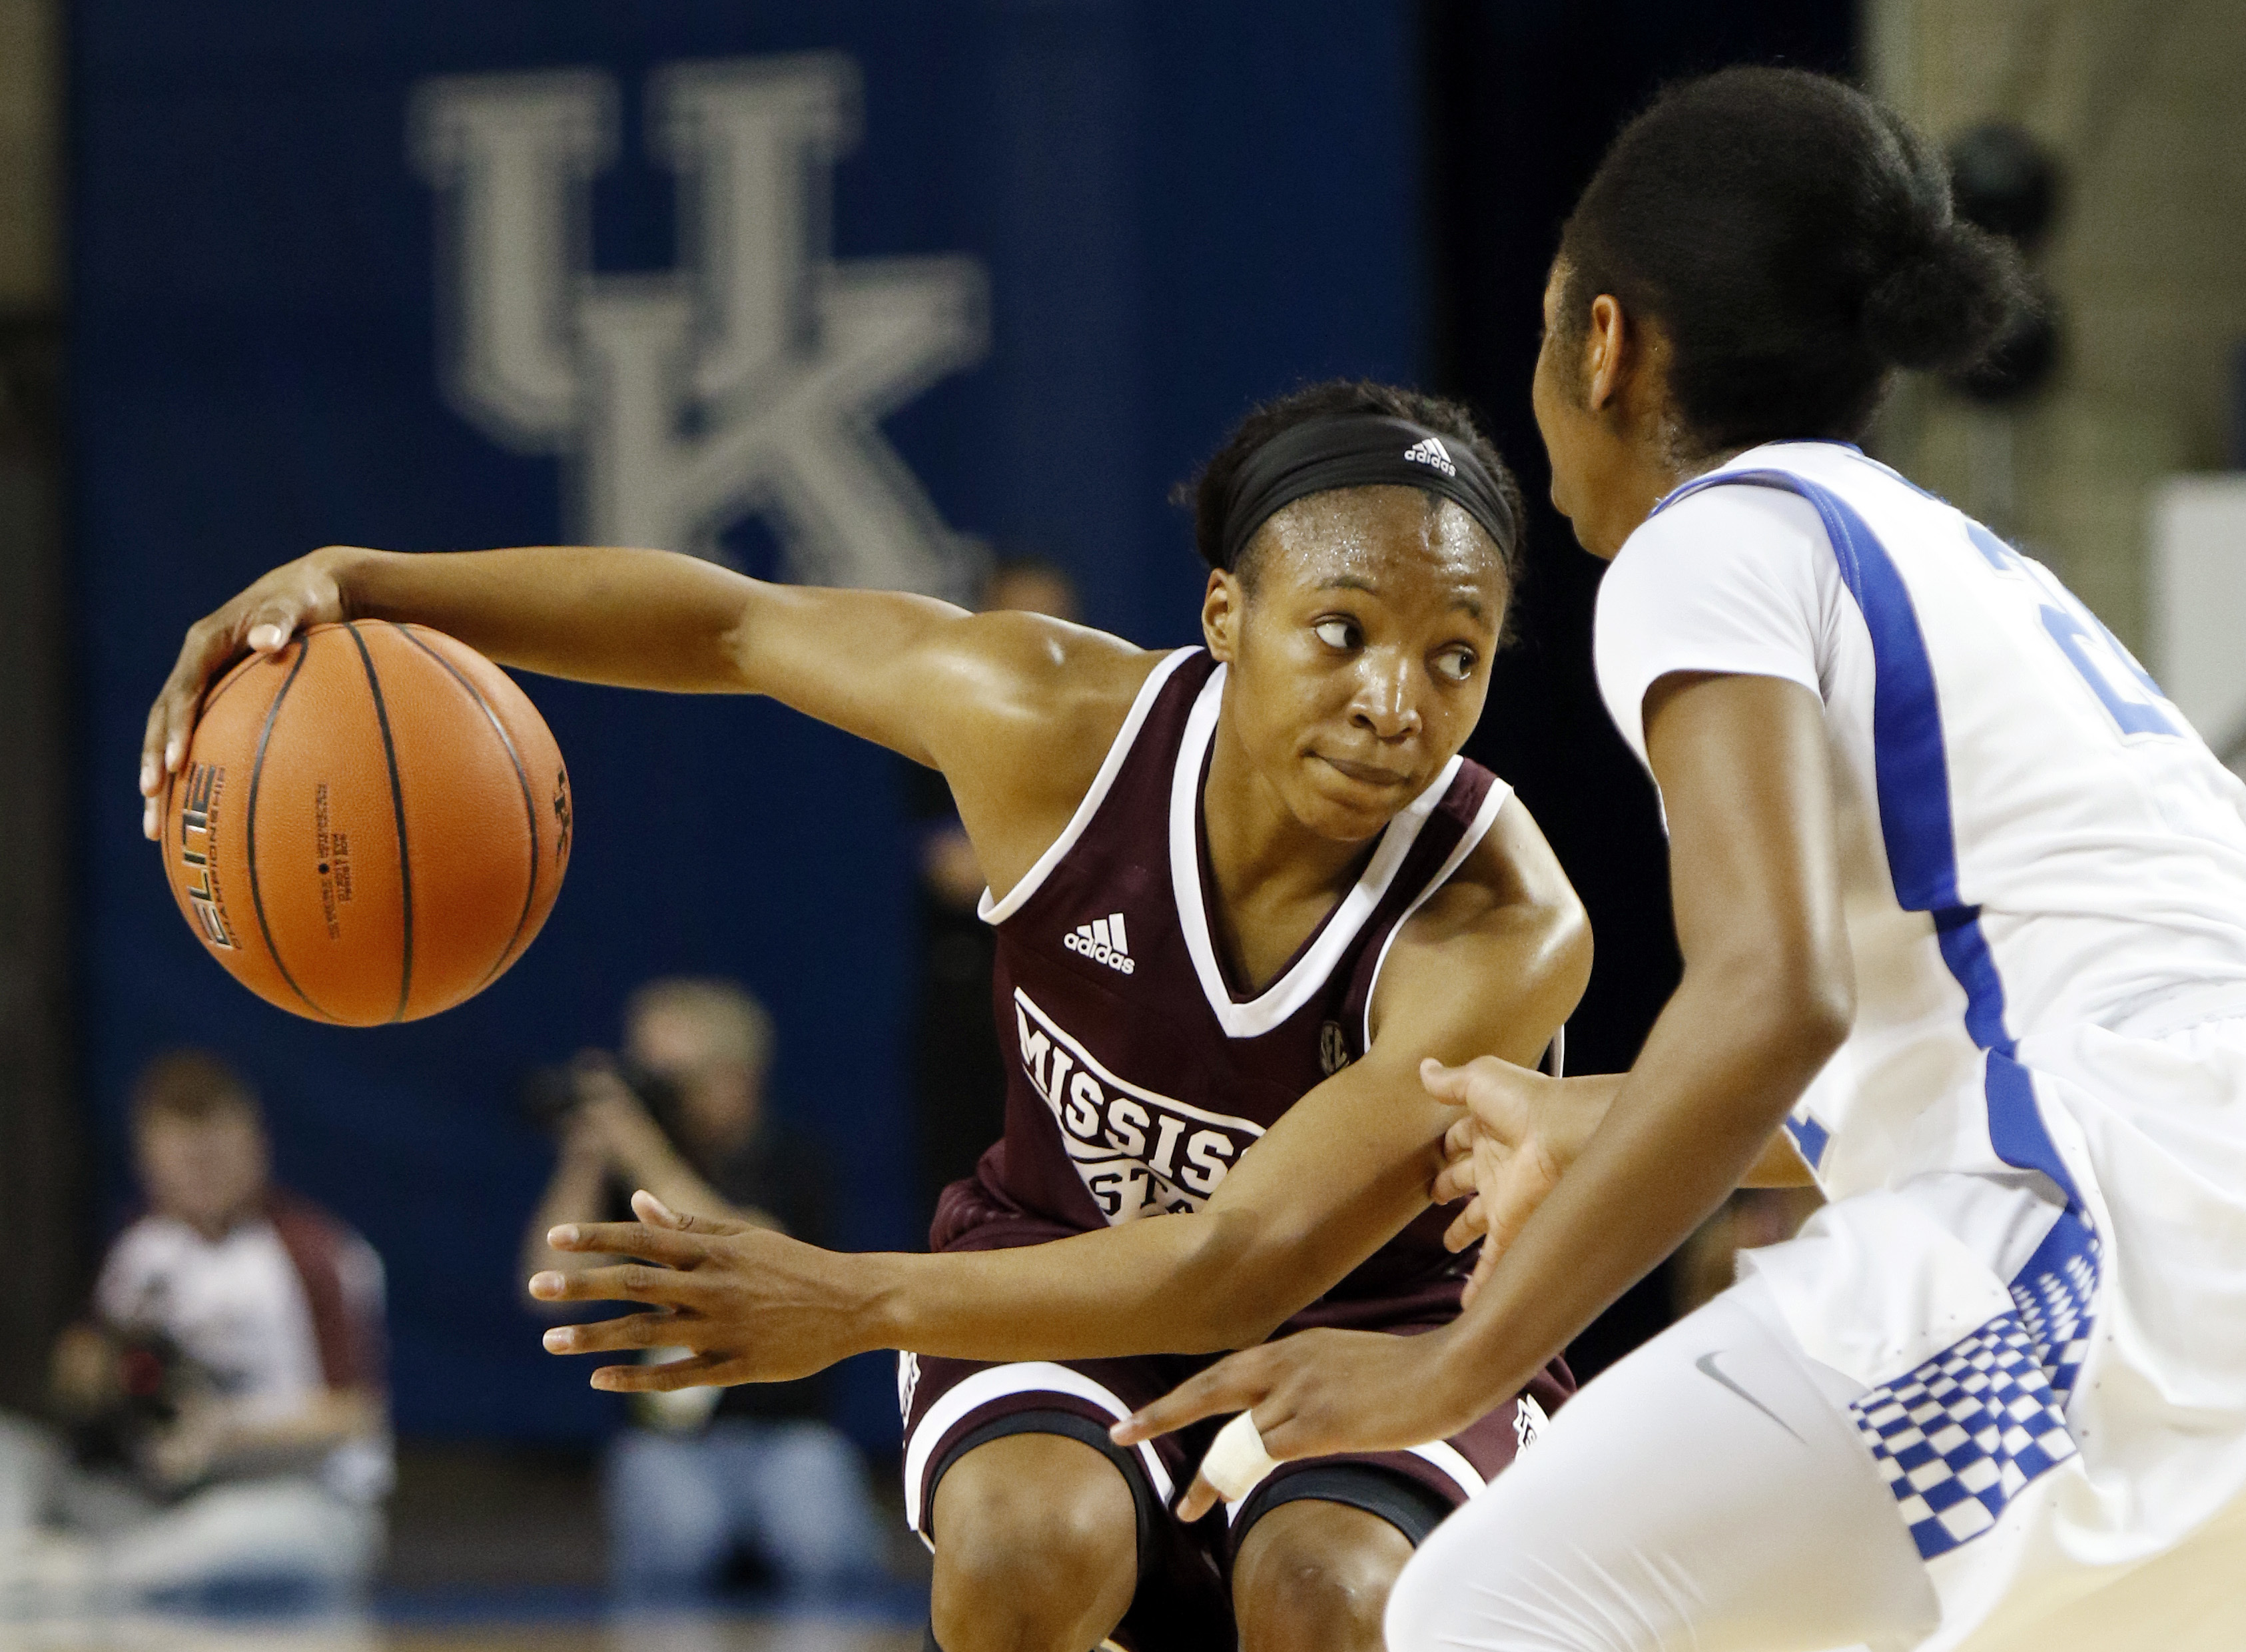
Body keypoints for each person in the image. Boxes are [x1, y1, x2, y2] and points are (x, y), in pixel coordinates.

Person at [139, 377, 1591, 1652]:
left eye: (1454, 656)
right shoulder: (1049, 724)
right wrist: (367, 581)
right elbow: (728, 627)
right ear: (1228, 614)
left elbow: (1234, 1263)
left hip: (1396, 1323)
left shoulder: (1499, 920)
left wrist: (843, 1300)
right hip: (1062, 1263)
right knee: (1027, 1552)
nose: (1398, 701)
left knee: (1323, 1592)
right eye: (1341, 632)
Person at [1113, 67, 2246, 1652]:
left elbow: (1773, 992)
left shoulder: (1713, 539)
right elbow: (1942, 1033)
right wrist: (1590, 1120)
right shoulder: (1952, 560)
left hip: (2104, 1236)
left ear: (1603, 340)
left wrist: (1455, 1363)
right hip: (2168, 1222)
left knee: (1484, 1604)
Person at [519, 977, 883, 1597]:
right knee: (675, 1546)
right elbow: (545, 1288)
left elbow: (753, 1258)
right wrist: (587, 1155)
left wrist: (641, 1150)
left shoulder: (793, 1161)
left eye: (668, 1082)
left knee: (827, 1552)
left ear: (734, 1078)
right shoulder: (630, 1170)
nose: (654, 1101)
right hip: (669, 1439)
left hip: (786, 1430)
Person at [0, 1051, 390, 1607]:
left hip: (285, 1498)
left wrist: (223, 1435)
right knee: (11, 1450)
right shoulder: (140, 1254)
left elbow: (355, 1415)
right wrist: (94, 1384)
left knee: (247, 1527)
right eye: (183, 1157)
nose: (200, 1173)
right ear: (147, 1156)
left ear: (256, 1143)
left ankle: (70, 1581)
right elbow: (101, 1379)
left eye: (215, 1153)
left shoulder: (314, 1252)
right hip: (155, 1500)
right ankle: (32, 1565)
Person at [909, 556, 1084, 1226]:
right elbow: (954, 869)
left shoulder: (1107, 730)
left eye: (1058, 621)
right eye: (1020, 621)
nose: (1041, 639)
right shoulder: (939, 725)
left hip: (1075, 1009)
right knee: (966, 1204)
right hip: (972, 1017)